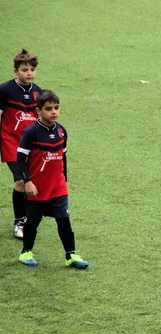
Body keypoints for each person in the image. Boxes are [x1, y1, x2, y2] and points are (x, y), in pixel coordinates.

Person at [13, 90, 88, 269]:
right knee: (33, 221)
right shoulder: (30, 133)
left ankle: (71, 255)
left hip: (58, 187)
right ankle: (26, 252)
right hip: (37, 187)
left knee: (64, 220)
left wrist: (64, 180)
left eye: (56, 108)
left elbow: (63, 158)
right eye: (48, 109)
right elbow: (20, 160)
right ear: (38, 111)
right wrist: (27, 181)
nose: (54, 112)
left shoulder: (62, 131)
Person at [0, 49, 43, 239]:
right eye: (25, 69)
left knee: (28, 182)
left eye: (32, 69)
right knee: (20, 180)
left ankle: (25, 217)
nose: (29, 73)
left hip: (30, 144)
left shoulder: (39, 93)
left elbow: (40, 119)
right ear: (16, 70)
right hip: (10, 141)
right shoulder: (5, 90)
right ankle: (20, 221)